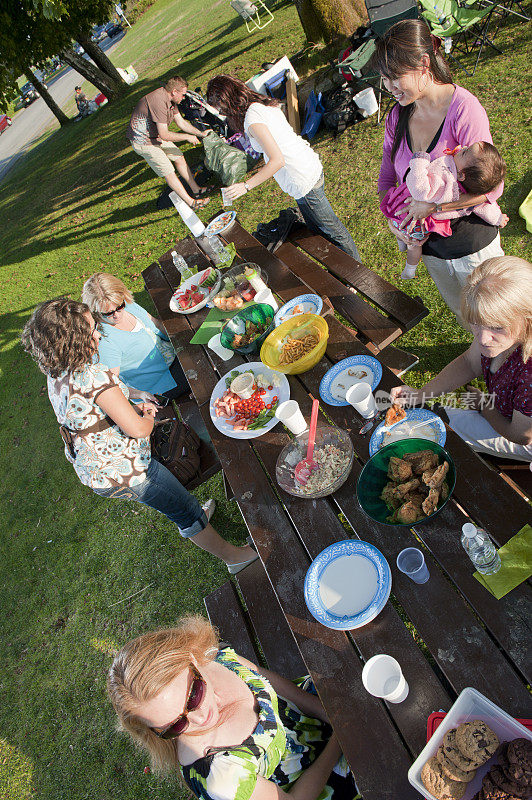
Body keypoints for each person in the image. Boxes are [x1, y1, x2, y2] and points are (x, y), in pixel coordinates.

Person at [21, 298, 258, 571]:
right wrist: (144, 416)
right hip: (125, 471)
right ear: (73, 341)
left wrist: (129, 404)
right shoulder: (94, 377)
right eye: (91, 330)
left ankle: (195, 514)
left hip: (94, 467)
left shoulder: (59, 374)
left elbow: (92, 412)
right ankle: (233, 557)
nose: (99, 333)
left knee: (176, 499)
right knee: (183, 510)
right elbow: (138, 429)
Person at [107, 615, 359, 800]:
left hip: (310, 715)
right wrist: (341, 737)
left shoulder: (211, 657)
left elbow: (265, 679)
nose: (200, 717)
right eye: (176, 725)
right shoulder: (220, 778)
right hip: (323, 780)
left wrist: (322, 710)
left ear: (192, 658)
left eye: (194, 696)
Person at [370, 20, 505, 320]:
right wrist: (394, 221)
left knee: (501, 318)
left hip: (472, 246)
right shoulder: (396, 117)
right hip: (431, 249)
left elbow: (492, 189)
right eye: (383, 79)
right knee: (467, 319)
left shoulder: (463, 108)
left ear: (423, 63)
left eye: (395, 78)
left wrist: (435, 205)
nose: (389, 88)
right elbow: (386, 174)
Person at [391, 257, 532, 462]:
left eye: (496, 327)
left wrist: (485, 405)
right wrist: (420, 395)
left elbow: (521, 435)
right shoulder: (503, 336)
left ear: (528, 318)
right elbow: (469, 362)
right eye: (476, 323)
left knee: (441, 426)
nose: (482, 339)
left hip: (522, 435)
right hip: (506, 413)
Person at [206, 75, 360, 259]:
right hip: (307, 166)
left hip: (302, 178)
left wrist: (245, 186)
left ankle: (359, 277)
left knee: (332, 230)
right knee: (316, 229)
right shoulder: (260, 104)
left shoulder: (252, 120)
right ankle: (341, 270)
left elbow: (277, 160)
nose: (222, 114)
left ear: (226, 102)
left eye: (220, 109)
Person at [381, 141, 507, 279]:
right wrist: (498, 218)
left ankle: (410, 268)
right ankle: (404, 248)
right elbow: (484, 207)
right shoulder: (468, 190)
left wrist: (419, 161)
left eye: (464, 152)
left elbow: (420, 190)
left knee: (413, 244)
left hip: (411, 218)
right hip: (410, 218)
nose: (463, 147)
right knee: (409, 238)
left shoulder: (446, 182)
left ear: (461, 175)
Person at [82, 273, 189, 401]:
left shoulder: (128, 305)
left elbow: (156, 324)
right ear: (95, 311)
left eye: (119, 307)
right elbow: (111, 386)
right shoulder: (104, 341)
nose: (116, 315)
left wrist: (184, 337)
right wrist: (139, 395)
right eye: (108, 313)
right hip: (162, 384)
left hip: (176, 356)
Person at [127, 75, 211, 209]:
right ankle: (192, 202)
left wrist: (200, 133)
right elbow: (165, 134)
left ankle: (196, 190)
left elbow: (181, 123)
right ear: (174, 92)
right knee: (169, 171)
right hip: (143, 141)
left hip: (154, 136)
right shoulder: (159, 102)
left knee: (179, 157)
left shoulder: (171, 100)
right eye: (183, 95)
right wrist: (187, 137)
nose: (184, 98)